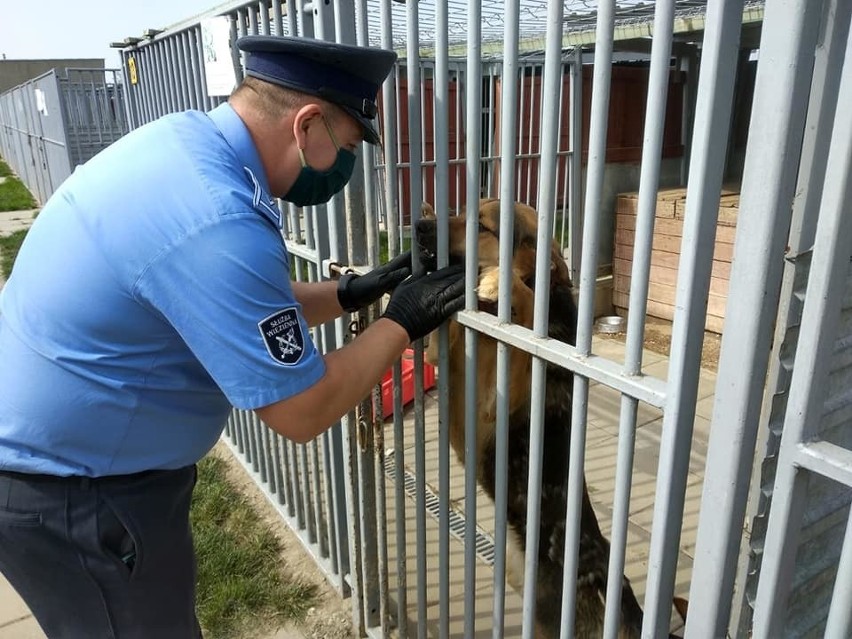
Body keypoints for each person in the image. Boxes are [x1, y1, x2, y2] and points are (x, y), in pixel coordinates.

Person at [0, 35, 464, 638]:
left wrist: (353, 293)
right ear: (308, 125)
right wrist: (401, 321)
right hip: (77, 496)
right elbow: (301, 409)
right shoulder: (216, 217)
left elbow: (230, 305)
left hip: (71, 474)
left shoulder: (185, 147)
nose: (346, 167)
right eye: (348, 146)